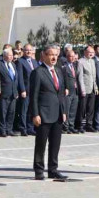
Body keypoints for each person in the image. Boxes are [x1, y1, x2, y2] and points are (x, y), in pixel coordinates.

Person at [30, 45, 68, 181]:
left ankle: (53, 169)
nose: (53, 57)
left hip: (57, 113)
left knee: (55, 144)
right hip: (43, 114)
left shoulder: (58, 71)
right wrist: (35, 114)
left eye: (56, 55)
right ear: (44, 56)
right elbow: (33, 95)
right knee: (41, 144)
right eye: (51, 55)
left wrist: (63, 111)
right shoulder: (38, 72)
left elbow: (61, 94)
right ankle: (39, 170)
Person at [16, 44, 37, 136]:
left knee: (31, 110)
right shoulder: (20, 61)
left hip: (34, 90)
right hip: (26, 90)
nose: (28, 52)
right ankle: (23, 128)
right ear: (23, 51)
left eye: (30, 50)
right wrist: (22, 90)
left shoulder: (34, 61)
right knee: (24, 111)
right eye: (26, 50)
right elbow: (20, 77)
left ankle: (30, 127)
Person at [0, 48, 19, 137]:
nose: (11, 57)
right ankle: (2, 130)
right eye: (9, 55)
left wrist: (16, 91)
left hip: (13, 93)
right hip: (4, 92)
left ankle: (9, 129)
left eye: (12, 55)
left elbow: (15, 79)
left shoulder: (13, 65)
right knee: (3, 112)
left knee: (11, 112)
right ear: (4, 55)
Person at [76, 46, 97, 133]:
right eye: (89, 52)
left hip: (92, 88)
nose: (91, 53)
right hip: (85, 88)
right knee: (82, 108)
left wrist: (96, 87)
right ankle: (79, 125)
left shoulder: (92, 61)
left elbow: (94, 76)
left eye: (92, 52)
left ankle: (89, 124)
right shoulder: (80, 62)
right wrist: (82, 89)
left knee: (90, 108)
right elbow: (80, 77)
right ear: (85, 52)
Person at [61, 50, 79, 134]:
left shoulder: (75, 66)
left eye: (73, 56)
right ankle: (66, 126)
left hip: (75, 91)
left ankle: (71, 126)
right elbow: (62, 79)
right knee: (67, 110)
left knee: (73, 109)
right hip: (68, 91)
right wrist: (65, 88)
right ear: (67, 57)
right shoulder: (64, 67)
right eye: (70, 56)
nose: (72, 58)